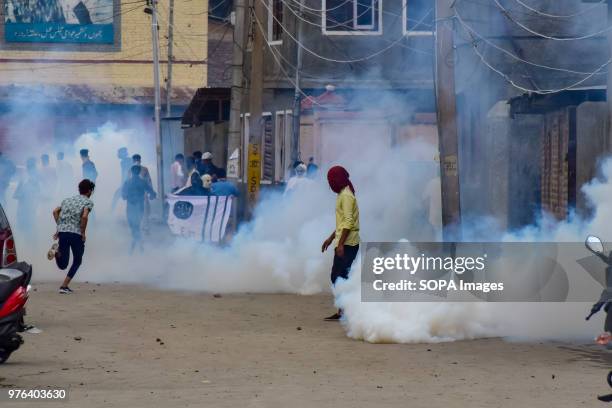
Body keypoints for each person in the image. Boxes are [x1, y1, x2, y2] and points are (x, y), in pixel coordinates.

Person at [321, 166, 360, 321]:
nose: (330, 183)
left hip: (349, 243)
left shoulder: (347, 196)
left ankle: (346, 311)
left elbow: (349, 223)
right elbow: (342, 223)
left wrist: (341, 244)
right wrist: (331, 239)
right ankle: (343, 311)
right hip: (344, 241)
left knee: (339, 276)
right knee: (339, 276)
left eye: (331, 180)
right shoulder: (342, 195)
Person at [47, 179, 95, 294]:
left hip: (63, 233)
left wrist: (60, 227)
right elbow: (84, 217)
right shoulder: (88, 202)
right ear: (89, 191)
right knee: (77, 260)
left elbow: (55, 211)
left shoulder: (67, 200)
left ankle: (57, 252)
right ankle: (64, 286)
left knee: (63, 264)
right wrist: (83, 233)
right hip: (76, 233)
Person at [122, 165, 157, 253]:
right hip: (140, 207)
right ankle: (138, 246)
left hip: (130, 208)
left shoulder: (127, 182)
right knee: (137, 226)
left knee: (134, 227)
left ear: (132, 172)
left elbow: (123, 196)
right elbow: (152, 193)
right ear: (139, 172)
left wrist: (128, 196)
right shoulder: (143, 182)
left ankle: (135, 247)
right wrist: (152, 195)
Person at [13, 158, 40, 238]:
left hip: (25, 211)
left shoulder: (25, 181)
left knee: (27, 233)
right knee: (30, 232)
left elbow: (16, 195)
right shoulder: (31, 180)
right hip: (29, 210)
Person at [132, 154, 153, 233]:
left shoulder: (142, 169)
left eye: (137, 159)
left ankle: (142, 227)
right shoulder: (142, 169)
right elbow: (149, 181)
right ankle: (143, 227)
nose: (137, 161)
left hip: (138, 194)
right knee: (142, 210)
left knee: (142, 210)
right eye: (136, 159)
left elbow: (149, 181)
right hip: (139, 195)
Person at [111, 147, 132, 212]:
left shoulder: (124, 162)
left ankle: (110, 212)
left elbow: (126, 173)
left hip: (127, 183)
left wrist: (124, 185)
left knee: (116, 196)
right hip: (129, 183)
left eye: (119, 152)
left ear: (123, 153)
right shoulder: (128, 160)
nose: (118, 154)